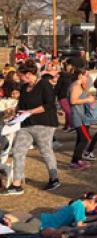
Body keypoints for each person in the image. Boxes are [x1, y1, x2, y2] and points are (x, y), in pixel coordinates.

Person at [4, 61, 60, 194]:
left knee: (46, 151)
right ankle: (16, 185)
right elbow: (21, 105)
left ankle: (54, 179)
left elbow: (50, 105)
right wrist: (14, 111)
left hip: (44, 124)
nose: (19, 78)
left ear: (28, 74)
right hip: (26, 124)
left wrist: (29, 112)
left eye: (20, 75)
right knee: (18, 151)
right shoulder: (24, 87)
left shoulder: (44, 84)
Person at [1, 192, 97, 238]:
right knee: (9, 226)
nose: (95, 209)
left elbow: (82, 219)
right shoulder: (79, 207)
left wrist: (96, 218)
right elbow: (79, 225)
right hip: (40, 225)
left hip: (41, 218)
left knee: (12, 221)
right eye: (96, 206)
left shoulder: (78, 203)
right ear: (92, 201)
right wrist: (96, 223)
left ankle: (6, 218)